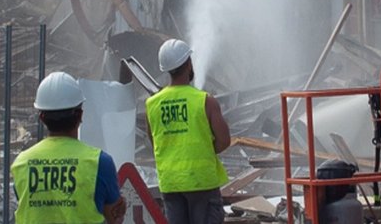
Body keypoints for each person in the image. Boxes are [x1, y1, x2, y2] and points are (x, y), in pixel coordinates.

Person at [12, 72, 127, 224]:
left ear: (41, 118)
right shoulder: (99, 162)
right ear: (80, 115)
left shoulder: (21, 163)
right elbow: (114, 217)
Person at [146, 39, 231, 224]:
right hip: (202, 182)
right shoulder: (205, 101)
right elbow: (224, 140)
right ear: (188, 64)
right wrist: (203, 151)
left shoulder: (152, 104)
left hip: (171, 183)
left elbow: (155, 142)